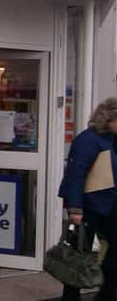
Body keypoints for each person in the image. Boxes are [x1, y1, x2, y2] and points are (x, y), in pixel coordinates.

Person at [59, 97, 117, 301]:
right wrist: (75, 209)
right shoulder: (88, 139)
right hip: (87, 205)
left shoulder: (112, 139)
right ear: (107, 119)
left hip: (109, 203)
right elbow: (76, 174)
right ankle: (71, 296)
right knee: (78, 253)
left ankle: (108, 291)